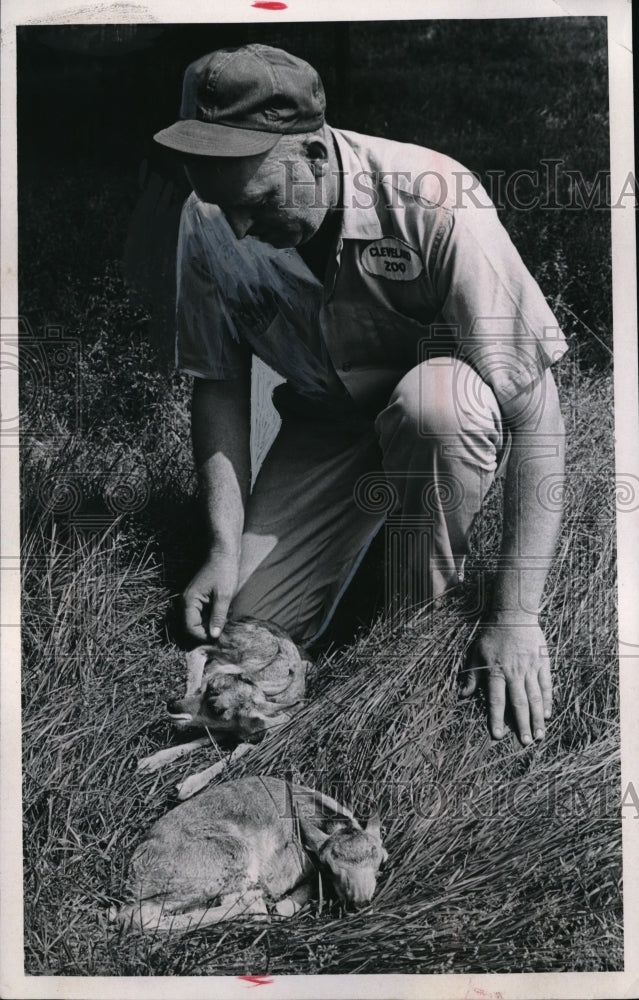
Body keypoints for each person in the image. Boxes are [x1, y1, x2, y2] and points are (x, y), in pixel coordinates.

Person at [153, 44, 567, 748]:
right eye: (224, 206)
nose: (240, 230)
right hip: (325, 418)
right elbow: (218, 384)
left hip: (436, 408)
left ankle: (418, 628)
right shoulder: (209, 214)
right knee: (249, 633)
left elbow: (535, 412)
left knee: (432, 406)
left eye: (257, 203)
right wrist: (223, 548)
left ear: (315, 153)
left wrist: (516, 616)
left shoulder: (436, 199)